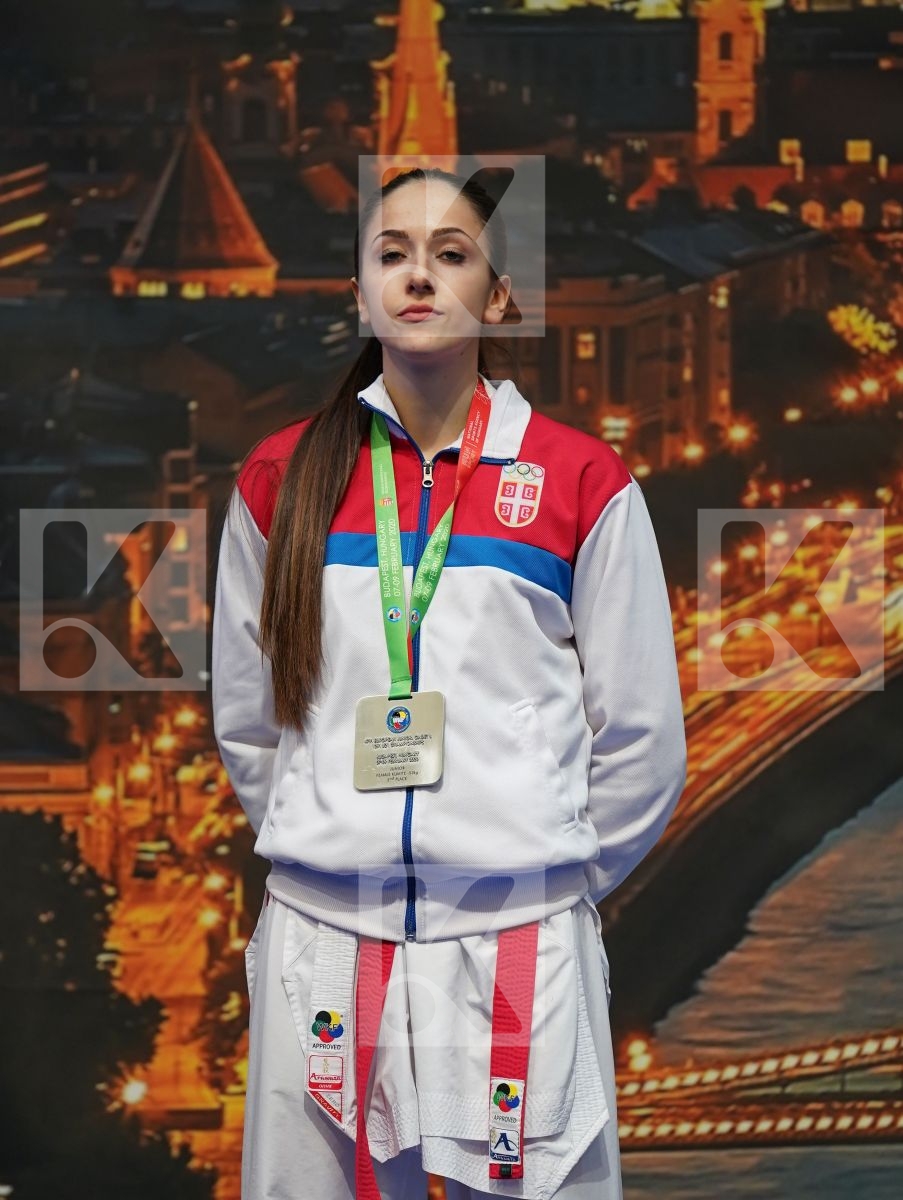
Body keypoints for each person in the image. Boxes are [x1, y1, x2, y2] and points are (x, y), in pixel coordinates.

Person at [211, 166, 688, 1200]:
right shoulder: (280, 481)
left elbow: (644, 736)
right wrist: (329, 833)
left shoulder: (579, 483)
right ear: (358, 291)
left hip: (518, 937)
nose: (418, 275)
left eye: (452, 253)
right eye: (392, 253)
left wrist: (538, 866)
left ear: (500, 297)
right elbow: (249, 727)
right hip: (323, 942)